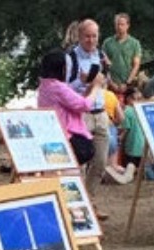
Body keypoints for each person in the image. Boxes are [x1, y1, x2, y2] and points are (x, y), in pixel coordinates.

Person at [37, 49, 106, 214]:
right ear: (61, 68)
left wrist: (88, 87)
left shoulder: (45, 85)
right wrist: (96, 87)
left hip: (54, 137)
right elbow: (84, 105)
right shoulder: (58, 87)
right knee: (69, 179)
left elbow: (77, 101)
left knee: (58, 177)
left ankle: (69, 210)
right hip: (68, 138)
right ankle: (74, 212)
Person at [65, 19, 110, 217]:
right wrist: (83, 83)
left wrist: (104, 75)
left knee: (100, 162)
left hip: (100, 113)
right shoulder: (70, 58)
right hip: (79, 115)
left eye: (94, 36)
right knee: (79, 161)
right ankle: (78, 205)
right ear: (79, 36)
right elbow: (63, 89)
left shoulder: (100, 56)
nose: (91, 40)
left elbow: (104, 83)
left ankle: (89, 198)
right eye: (87, 36)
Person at [102, 13, 142, 95]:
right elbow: (104, 65)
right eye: (117, 24)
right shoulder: (107, 43)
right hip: (110, 84)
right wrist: (111, 83)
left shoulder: (135, 43)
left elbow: (136, 65)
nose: (119, 27)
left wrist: (127, 83)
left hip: (128, 85)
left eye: (122, 24)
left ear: (128, 25)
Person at [120, 87, 146, 170]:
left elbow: (126, 129)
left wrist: (120, 138)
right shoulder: (142, 109)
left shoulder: (127, 111)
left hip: (131, 147)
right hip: (143, 147)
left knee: (130, 167)